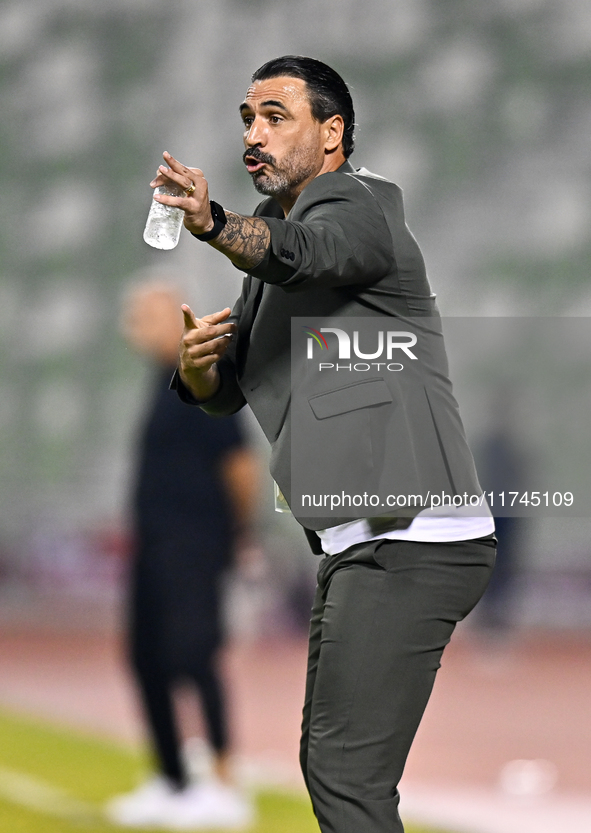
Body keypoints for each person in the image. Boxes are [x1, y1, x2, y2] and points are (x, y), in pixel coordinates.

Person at [148, 56, 497, 833]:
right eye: (246, 118)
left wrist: (209, 224)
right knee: (331, 765)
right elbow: (231, 388)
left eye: (275, 116)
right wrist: (200, 373)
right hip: (364, 540)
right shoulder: (278, 245)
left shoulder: (358, 201)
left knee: (345, 775)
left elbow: (309, 254)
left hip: (409, 538)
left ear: (332, 132)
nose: (253, 133)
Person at [107, 282, 258, 830]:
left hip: (196, 545)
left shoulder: (202, 375)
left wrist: (241, 538)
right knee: (144, 659)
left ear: (177, 319)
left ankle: (223, 782)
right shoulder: (157, 380)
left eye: (145, 315)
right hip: (153, 547)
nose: (135, 327)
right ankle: (171, 780)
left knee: (195, 657)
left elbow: (239, 466)